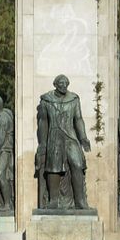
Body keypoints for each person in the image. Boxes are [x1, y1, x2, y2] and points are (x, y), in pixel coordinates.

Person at [34, 74, 92, 209]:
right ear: (55, 84)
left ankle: (80, 201)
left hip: (71, 136)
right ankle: (53, 200)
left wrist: (83, 137)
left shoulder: (74, 99)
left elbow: (78, 119)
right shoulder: (46, 100)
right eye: (61, 83)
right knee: (54, 168)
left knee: (77, 164)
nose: (64, 85)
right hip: (54, 135)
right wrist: (42, 144)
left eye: (66, 83)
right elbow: (43, 122)